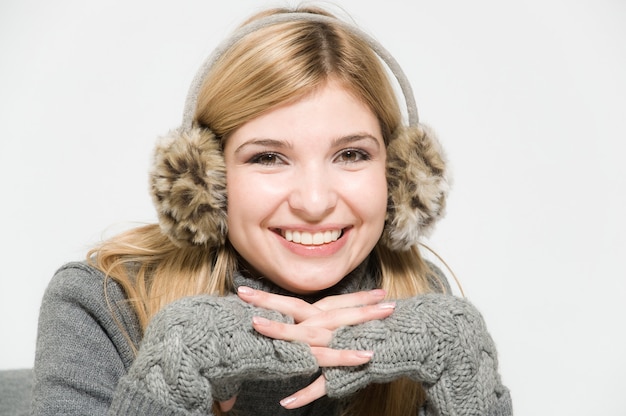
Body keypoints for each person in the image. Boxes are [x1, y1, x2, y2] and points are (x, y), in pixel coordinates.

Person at [31, 5, 512, 416]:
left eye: (351, 155)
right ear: (204, 182)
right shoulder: (100, 304)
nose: (315, 202)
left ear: (400, 176)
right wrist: (177, 364)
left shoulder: (421, 300)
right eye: (268, 158)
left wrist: (463, 369)